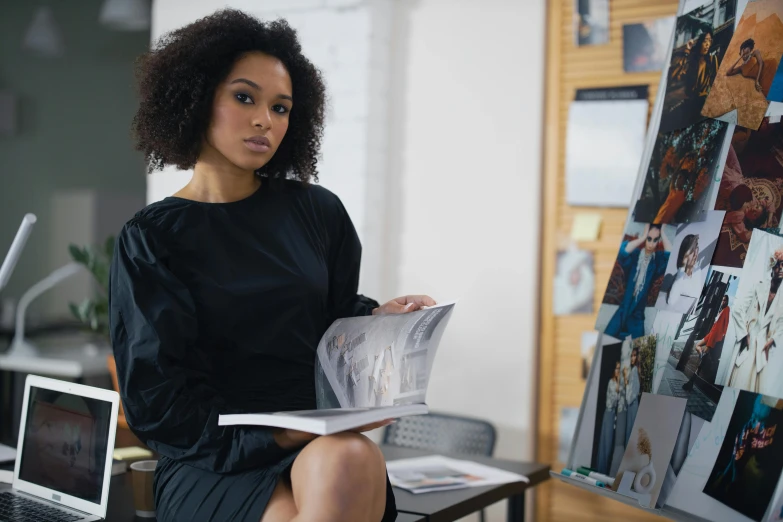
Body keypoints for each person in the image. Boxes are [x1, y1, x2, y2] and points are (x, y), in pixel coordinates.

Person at [109, 10, 436, 522]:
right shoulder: (152, 238)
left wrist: (376, 320)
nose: (266, 119)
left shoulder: (318, 212)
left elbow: (330, 318)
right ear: (196, 99)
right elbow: (157, 402)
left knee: (352, 458)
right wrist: (285, 430)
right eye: (245, 98)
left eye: (281, 107)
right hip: (210, 456)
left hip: (317, 437)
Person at [728, 248, 783, 395]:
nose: (780, 268)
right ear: (772, 266)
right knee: (739, 382)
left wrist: (773, 340)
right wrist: (744, 335)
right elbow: (738, 309)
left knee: (755, 391)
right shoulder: (758, 286)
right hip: (748, 344)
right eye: (778, 264)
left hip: (764, 351)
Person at [605, 224, 672, 339]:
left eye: (655, 240)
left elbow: (671, 256)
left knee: (639, 351)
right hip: (623, 310)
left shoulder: (656, 260)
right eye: (649, 239)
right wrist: (642, 237)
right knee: (606, 340)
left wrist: (664, 234)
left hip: (637, 315)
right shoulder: (635, 255)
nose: (651, 244)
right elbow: (622, 252)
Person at [682, 295, 731, 391]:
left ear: (727, 302)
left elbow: (725, 325)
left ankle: (691, 382)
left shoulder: (727, 310)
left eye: (725, 300)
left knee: (701, 363)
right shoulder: (720, 311)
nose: (723, 302)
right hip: (710, 334)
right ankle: (702, 355)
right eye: (722, 300)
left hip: (714, 337)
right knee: (698, 345)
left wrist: (721, 336)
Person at [665, 234, 704, 312]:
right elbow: (671, 302)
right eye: (692, 252)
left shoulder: (697, 271)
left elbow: (697, 297)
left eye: (696, 250)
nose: (695, 255)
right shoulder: (679, 277)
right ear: (685, 255)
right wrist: (683, 266)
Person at [596, 361, 620, 475]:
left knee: (613, 446)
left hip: (616, 417)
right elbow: (610, 402)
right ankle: (602, 470)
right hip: (609, 414)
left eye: (619, 369)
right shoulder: (611, 382)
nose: (617, 371)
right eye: (616, 369)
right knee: (606, 443)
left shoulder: (622, 384)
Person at [624, 346, 641, 446]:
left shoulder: (634, 370)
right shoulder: (632, 369)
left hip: (632, 404)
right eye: (631, 356)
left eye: (634, 356)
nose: (632, 358)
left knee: (630, 432)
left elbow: (632, 394)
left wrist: (626, 381)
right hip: (632, 404)